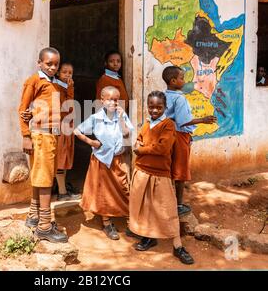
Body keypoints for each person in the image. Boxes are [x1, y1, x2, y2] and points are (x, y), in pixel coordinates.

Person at [129, 91, 194, 265]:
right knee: (145, 206)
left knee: (168, 209)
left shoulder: (169, 125)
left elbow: (162, 149)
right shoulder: (147, 123)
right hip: (142, 171)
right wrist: (140, 144)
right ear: (147, 107)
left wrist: (141, 149)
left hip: (160, 173)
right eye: (151, 107)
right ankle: (149, 237)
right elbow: (138, 140)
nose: (155, 110)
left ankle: (177, 245)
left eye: (159, 107)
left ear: (165, 107)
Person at [18, 47, 68, 243]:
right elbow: (22, 109)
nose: (53, 67)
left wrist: (68, 86)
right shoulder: (34, 81)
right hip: (40, 136)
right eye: (49, 64)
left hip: (52, 136)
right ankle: (45, 226)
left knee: (41, 176)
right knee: (45, 180)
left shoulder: (55, 84)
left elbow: (65, 106)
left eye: (56, 64)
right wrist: (25, 136)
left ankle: (34, 216)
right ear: (39, 62)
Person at [74, 86, 134, 240]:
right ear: (102, 101)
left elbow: (127, 133)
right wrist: (91, 142)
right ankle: (107, 222)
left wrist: (121, 118)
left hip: (117, 159)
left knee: (123, 187)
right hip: (101, 159)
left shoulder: (121, 115)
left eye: (116, 100)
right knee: (103, 191)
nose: (113, 103)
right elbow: (77, 131)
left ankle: (130, 219)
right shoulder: (96, 118)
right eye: (109, 99)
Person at [163, 66, 217, 216]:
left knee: (171, 168)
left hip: (170, 134)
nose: (184, 80)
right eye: (182, 78)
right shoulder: (179, 98)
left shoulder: (164, 95)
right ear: (173, 81)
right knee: (180, 171)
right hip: (179, 136)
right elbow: (182, 121)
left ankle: (168, 201)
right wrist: (203, 120)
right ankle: (178, 206)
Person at [53, 62, 81, 201]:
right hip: (60, 127)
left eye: (70, 72)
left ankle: (61, 187)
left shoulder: (65, 86)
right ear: (58, 73)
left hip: (67, 126)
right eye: (64, 72)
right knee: (60, 159)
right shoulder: (56, 87)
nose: (67, 75)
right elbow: (67, 107)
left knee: (64, 159)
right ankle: (62, 192)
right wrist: (70, 89)